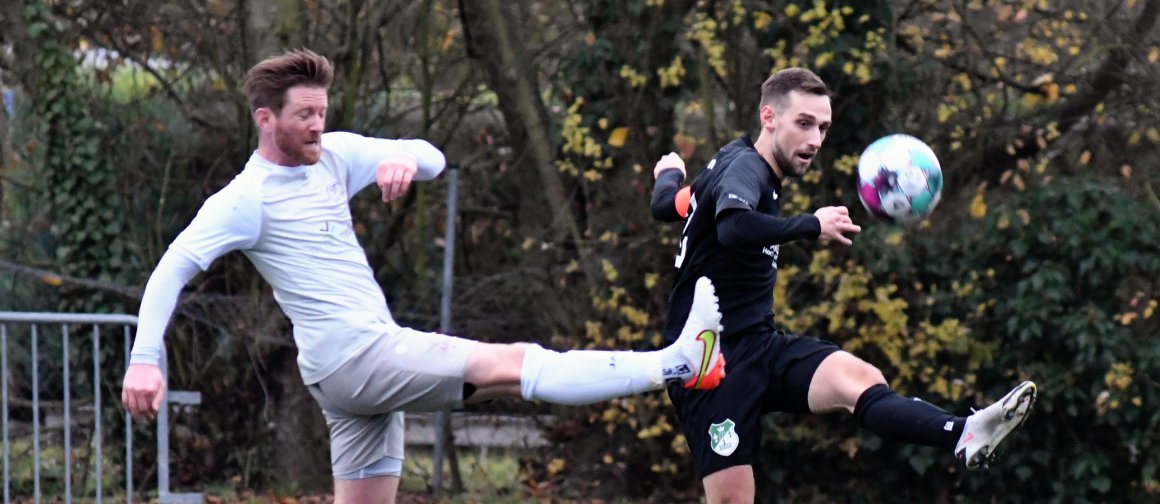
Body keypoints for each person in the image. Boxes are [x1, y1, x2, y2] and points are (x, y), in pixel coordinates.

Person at [121, 49, 726, 504]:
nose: (316, 124)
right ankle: (678, 363)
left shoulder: (332, 155)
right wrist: (146, 357)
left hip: (347, 378)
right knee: (512, 364)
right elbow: (172, 266)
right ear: (265, 119)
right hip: (358, 357)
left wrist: (400, 158)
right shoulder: (245, 198)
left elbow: (432, 155)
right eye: (303, 115)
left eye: (321, 112)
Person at [648, 67, 1037, 502]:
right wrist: (811, 224)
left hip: (759, 345)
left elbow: (668, 205)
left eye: (823, 127)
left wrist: (669, 173)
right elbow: (733, 228)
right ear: (768, 117)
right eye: (804, 124)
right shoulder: (747, 169)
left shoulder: (725, 168)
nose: (815, 140)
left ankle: (963, 433)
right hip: (709, 367)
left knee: (859, 380)